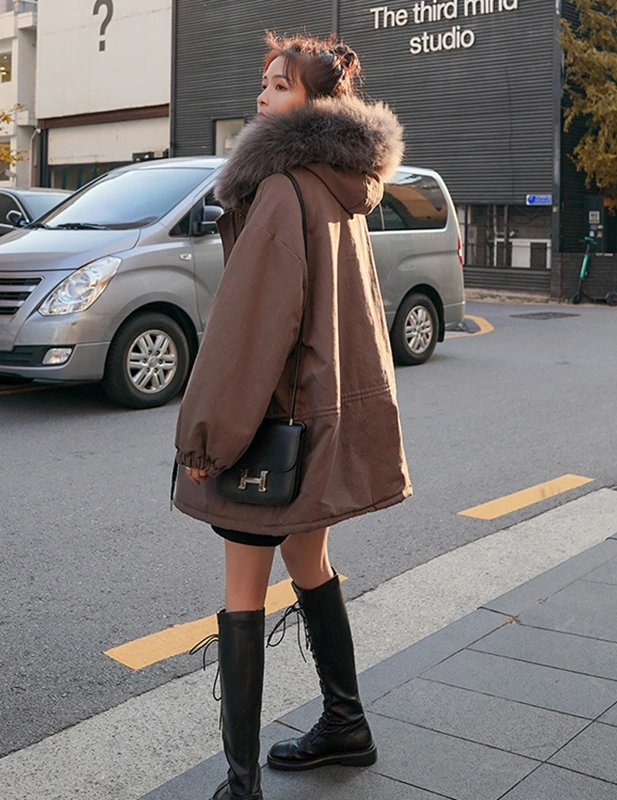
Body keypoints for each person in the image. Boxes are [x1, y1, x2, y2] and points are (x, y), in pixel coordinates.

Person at [173, 32, 411, 800]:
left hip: (272, 431)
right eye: (263, 83)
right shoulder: (343, 186)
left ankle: (240, 786)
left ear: (310, 105)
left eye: (278, 85)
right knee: (310, 566)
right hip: (325, 423)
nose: (262, 95)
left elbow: (250, 331)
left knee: (245, 592)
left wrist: (208, 438)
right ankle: (346, 723)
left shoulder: (280, 188)